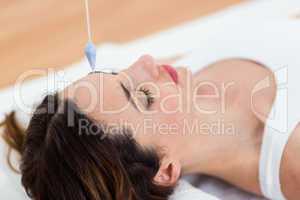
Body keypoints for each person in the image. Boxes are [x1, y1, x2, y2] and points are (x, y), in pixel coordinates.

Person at [1, 54, 300, 200]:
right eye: (144, 97)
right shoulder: (293, 162)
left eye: (117, 73)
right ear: (166, 170)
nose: (146, 62)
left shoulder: (189, 84)